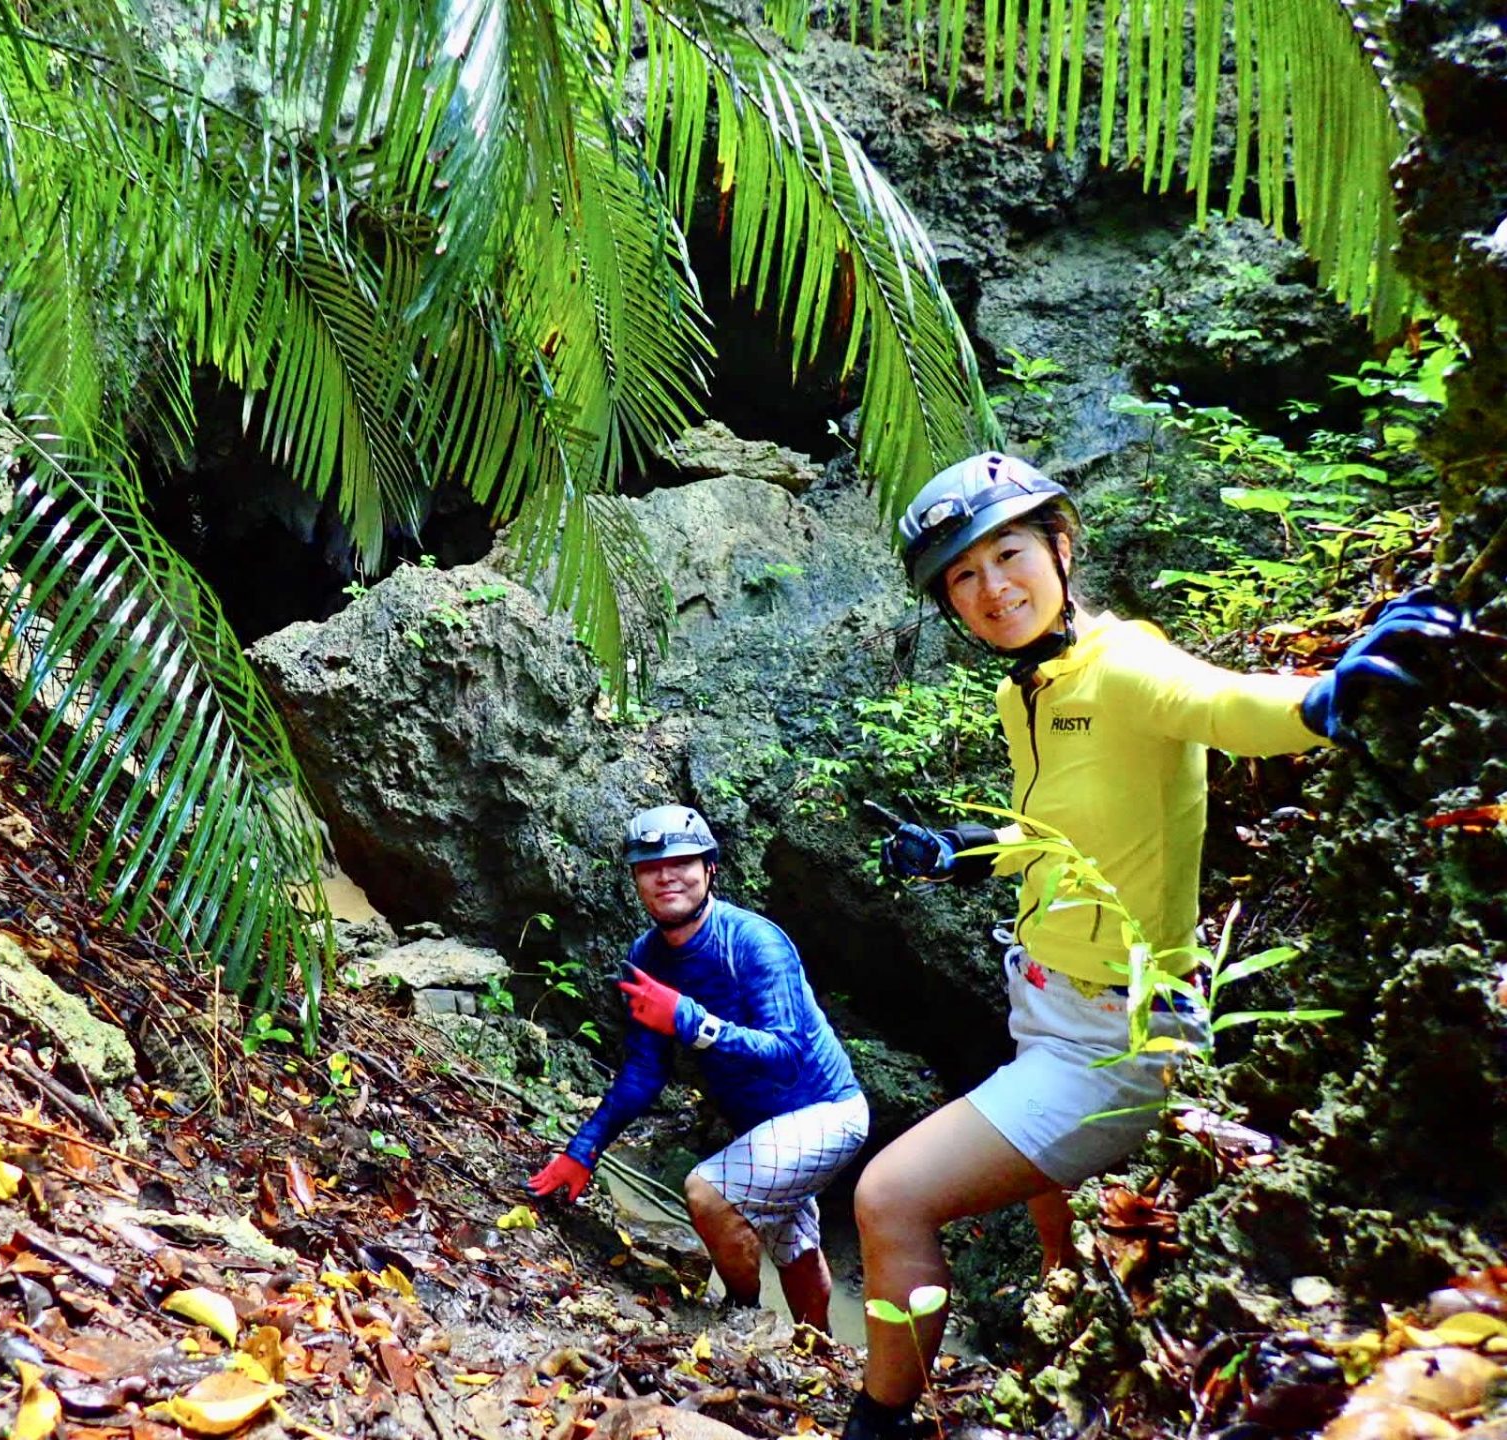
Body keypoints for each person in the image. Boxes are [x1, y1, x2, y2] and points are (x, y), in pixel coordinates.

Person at [842, 452, 1460, 1439]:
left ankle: (880, 1423)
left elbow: (1223, 706)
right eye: (963, 575)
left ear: (1061, 543)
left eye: (1008, 555)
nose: (991, 588)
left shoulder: (1125, 662)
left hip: (1117, 1033)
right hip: (1042, 1008)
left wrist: (1326, 696)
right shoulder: (1026, 693)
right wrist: (963, 854)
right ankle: (1052, 1394)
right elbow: (1060, 830)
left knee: (888, 1199)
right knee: (1064, 1247)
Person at [526, 804, 870, 1333]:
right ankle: (816, 1350)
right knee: (792, 1244)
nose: (666, 875)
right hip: (762, 1128)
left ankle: (743, 1318)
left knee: (708, 1192)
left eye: (682, 862)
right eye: (649, 866)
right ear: (636, 880)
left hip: (825, 1110)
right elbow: (644, 1073)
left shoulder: (755, 943)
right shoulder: (646, 958)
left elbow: (786, 1056)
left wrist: (689, 1019)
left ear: (710, 869)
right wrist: (582, 1150)